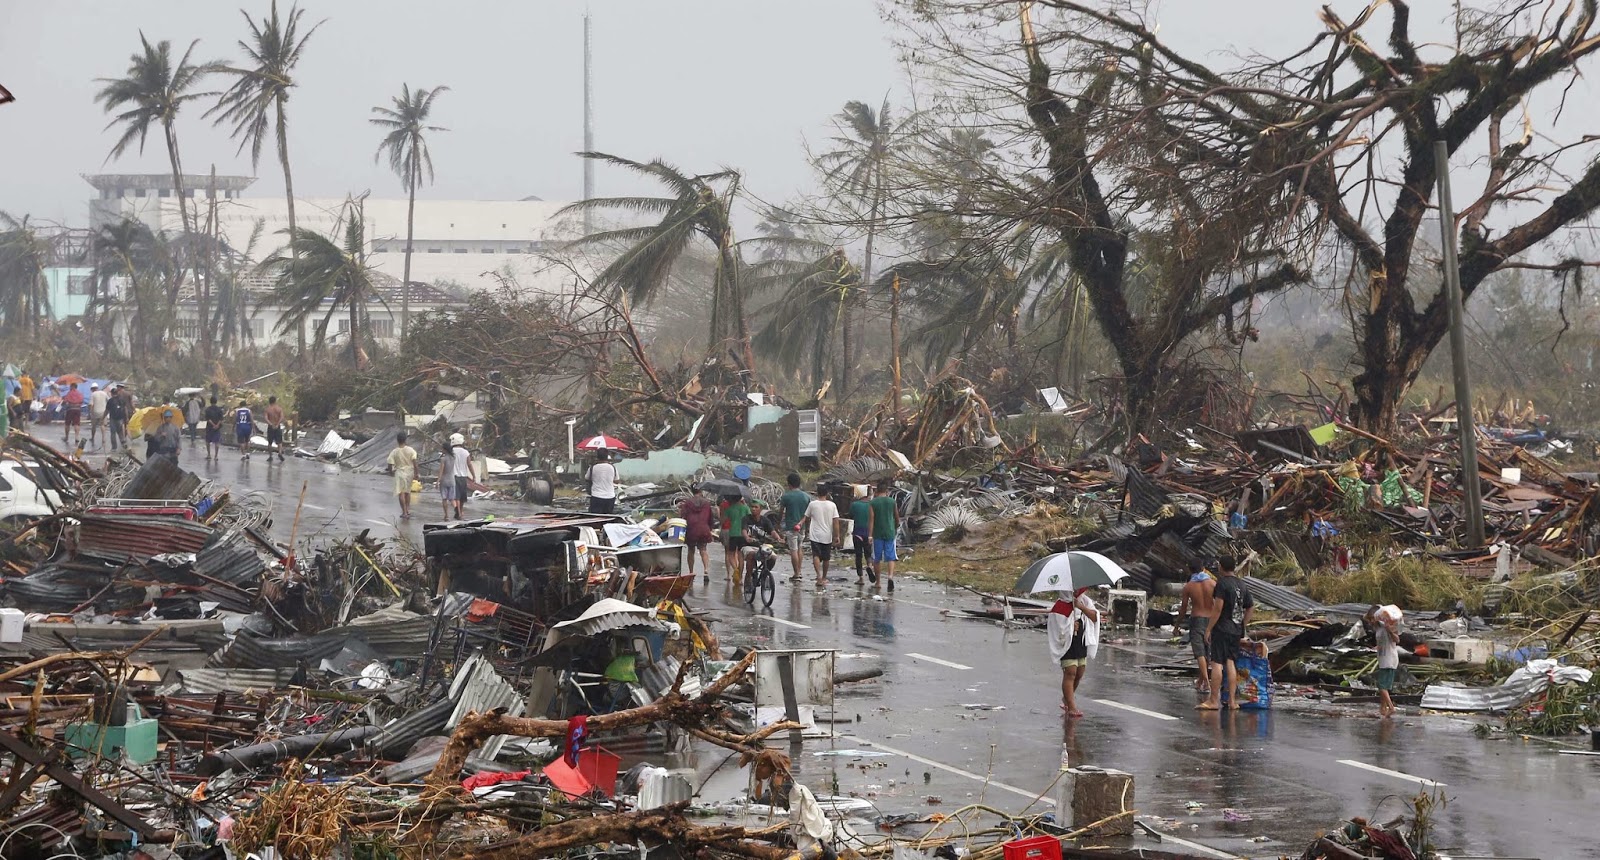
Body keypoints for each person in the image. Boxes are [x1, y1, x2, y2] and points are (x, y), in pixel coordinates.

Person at [1199, 556, 1254, 711]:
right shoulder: (1242, 585)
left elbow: (1217, 609)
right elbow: (1250, 607)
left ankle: (1214, 701)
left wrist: (1209, 628)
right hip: (1236, 630)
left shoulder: (1222, 584)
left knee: (1217, 663)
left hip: (1222, 629)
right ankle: (1231, 701)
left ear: (1221, 567)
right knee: (1230, 663)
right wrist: (1242, 624)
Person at [1049, 588, 1101, 718]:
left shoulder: (1084, 601)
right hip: (1067, 644)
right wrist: (1070, 628)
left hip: (1081, 642)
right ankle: (1071, 707)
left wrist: (1081, 607)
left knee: (1079, 672)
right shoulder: (1060, 606)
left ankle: (1066, 698)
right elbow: (1056, 626)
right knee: (1070, 672)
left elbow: (1095, 617)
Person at [1174, 559, 1217, 694]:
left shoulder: (1189, 586)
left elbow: (1183, 608)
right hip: (1211, 620)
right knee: (1207, 651)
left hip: (1197, 619)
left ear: (1190, 570)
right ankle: (1201, 681)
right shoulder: (1212, 584)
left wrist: (1177, 625)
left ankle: (1206, 682)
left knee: (1199, 652)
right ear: (1203, 568)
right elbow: (1218, 604)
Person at [797, 485, 841, 587]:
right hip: (827, 535)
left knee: (816, 555)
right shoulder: (832, 505)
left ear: (817, 493)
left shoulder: (812, 504)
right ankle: (824, 577)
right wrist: (837, 535)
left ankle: (819, 576)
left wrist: (800, 524)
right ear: (827, 494)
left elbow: (805, 517)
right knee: (826, 558)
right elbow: (836, 521)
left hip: (815, 534)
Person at [1368, 604, 1403, 718]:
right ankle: (1382, 709)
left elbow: (1397, 640)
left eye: (1372, 619)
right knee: (1384, 686)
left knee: (1382, 686)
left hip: (1389, 659)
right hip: (1383, 658)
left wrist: (1390, 631)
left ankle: (1391, 708)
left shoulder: (1387, 626)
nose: (1371, 622)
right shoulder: (1377, 628)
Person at [678, 485, 717, 579]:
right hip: (704, 529)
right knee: (703, 549)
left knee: (691, 550)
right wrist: (710, 528)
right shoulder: (706, 503)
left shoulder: (687, 503)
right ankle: (706, 570)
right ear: (701, 491)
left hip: (691, 529)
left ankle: (691, 572)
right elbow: (710, 517)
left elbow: (683, 516)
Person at [867, 483, 899, 592]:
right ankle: (890, 576)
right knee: (891, 556)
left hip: (877, 533)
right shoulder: (892, 502)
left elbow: (871, 520)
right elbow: (896, 517)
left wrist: (870, 535)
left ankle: (878, 582)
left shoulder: (873, 503)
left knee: (876, 558)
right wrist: (895, 527)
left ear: (876, 492)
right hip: (890, 532)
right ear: (887, 491)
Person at [779, 473, 810, 582]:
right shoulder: (806, 496)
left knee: (793, 550)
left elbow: (780, 512)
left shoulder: (786, 496)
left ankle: (796, 573)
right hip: (802, 526)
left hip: (791, 526)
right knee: (800, 548)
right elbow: (808, 514)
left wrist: (778, 525)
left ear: (789, 484)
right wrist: (807, 528)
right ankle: (799, 571)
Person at [440, 432, 475, 519]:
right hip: (463, 477)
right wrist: (473, 475)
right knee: (462, 497)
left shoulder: (451, 453)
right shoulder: (466, 452)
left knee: (456, 497)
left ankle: (458, 512)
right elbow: (469, 464)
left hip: (453, 476)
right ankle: (460, 512)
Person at [721, 493, 753, 585]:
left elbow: (723, 521)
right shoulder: (745, 508)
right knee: (741, 556)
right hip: (744, 534)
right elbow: (750, 518)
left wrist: (723, 513)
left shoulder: (730, 509)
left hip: (733, 534)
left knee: (730, 554)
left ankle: (735, 570)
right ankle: (740, 578)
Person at [387, 430, 418, 518]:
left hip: (400, 472)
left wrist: (391, 472)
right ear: (405, 440)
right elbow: (415, 462)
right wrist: (417, 473)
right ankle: (407, 510)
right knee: (408, 492)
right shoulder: (411, 450)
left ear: (397, 440)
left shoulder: (394, 452)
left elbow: (390, 463)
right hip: (410, 472)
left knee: (401, 493)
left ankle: (404, 512)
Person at [847, 486, 872, 582]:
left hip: (857, 533)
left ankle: (861, 577)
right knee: (868, 553)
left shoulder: (855, 505)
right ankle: (869, 566)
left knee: (858, 555)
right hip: (868, 533)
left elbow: (850, 515)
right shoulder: (871, 504)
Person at [106, 385, 130, 450]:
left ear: (111, 393)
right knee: (120, 432)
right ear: (117, 393)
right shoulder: (121, 400)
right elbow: (125, 409)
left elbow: (107, 410)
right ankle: (124, 444)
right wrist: (127, 418)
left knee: (113, 433)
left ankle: (114, 447)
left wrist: (103, 418)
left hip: (113, 419)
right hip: (120, 418)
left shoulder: (110, 401)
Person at [61, 382, 84, 447]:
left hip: (70, 409)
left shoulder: (69, 393)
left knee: (67, 423)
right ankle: (77, 437)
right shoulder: (79, 393)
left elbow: (65, 401)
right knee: (76, 423)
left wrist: (64, 401)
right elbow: (82, 401)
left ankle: (66, 437)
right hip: (78, 409)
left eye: (70, 386)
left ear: (72, 387)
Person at [263, 396, 286, 461]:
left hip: (271, 426)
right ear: (275, 401)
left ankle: (270, 456)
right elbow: (282, 417)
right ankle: (280, 453)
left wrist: (270, 424)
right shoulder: (279, 409)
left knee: (270, 442)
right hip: (277, 426)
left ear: (269, 401)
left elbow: (266, 418)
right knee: (279, 441)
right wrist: (278, 424)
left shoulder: (268, 409)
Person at [203, 396, 225, 461]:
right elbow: (221, 419)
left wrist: (213, 425)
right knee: (217, 442)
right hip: (217, 428)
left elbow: (208, 419)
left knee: (207, 441)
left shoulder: (208, 409)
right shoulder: (219, 410)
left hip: (209, 427)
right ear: (216, 401)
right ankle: (216, 456)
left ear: (210, 402)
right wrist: (217, 425)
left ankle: (209, 454)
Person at [88, 384, 109, 450]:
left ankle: (92, 437)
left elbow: (91, 404)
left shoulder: (93, 394)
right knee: (102, 425)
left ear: (92, 389)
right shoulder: (104, 393)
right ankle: (103, 438)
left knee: (93, 426)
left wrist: (91, 412)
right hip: (103, 412)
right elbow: (108, 401)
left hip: (95, 412)